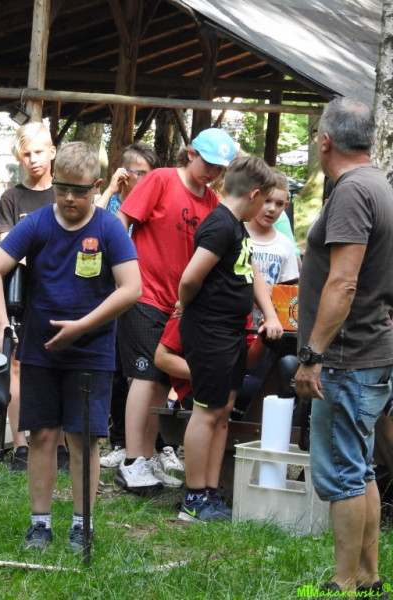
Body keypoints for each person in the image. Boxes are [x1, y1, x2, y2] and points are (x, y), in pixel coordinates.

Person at [0, 141, 141, 551]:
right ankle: (40, 524)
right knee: (41, 435)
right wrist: (3, 324)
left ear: (97, 187)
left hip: (92, 351)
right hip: (40, 351)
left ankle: (82, 525)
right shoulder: (35, 224)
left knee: (83, 440)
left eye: (80, 191)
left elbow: (132, 288)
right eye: (63, 188)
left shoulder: (108, 228)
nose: (70, 198)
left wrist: (82, 327)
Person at [294, 97, 393, 596]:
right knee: (361, 468)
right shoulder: (381, 185)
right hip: (370, 350)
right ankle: (369, 576)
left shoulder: (353, 191)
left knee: (344, 475)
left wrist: (312, 356)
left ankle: (343, 583)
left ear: (326, 141)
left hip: (345, 357)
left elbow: (344, 282)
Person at [115, 128, 237, 493]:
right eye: (208, 163)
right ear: (191, 154)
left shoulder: (213, 202)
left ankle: (148, 457)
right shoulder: (162, 179)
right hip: (145, 294)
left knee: (162, 381)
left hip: (181, 306)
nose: (212, 172)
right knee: (145, 375)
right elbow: (123, 220)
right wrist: (124, 271)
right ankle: (132, 461)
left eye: (220, 168)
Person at [176, 155, 283, 522]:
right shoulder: (220, 226)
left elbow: (252, 273)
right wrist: (186, 304)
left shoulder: (237, 228)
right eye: (265, 200)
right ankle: (193, 498)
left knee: (223, 410)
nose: (266, 208)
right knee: (206, 411)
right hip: (210, 331)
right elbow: (190, 277)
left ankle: (210, 490)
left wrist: (270, 314)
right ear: (254, 195)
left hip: (232, 331)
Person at [0, 122, 69, 472]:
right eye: (26, 154)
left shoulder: (65, 193)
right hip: (19, 295)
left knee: (61, 362)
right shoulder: (12, 198)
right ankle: (20, 444)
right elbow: (9, 249)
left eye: (39, 151)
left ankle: (61, 443)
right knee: (17, 365)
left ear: (52, 152)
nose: (33, 159)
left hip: (61, 294)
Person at [95, 142, 160, 469]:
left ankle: (158, 446)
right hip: (110, 296)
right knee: (118, 373)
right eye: (137, 173)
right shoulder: (111, 204)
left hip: (146, 297)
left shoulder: (156, 205)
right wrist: (110, 190)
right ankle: (119, 441)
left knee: (148, 373)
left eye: (148, 174)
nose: (143, 180)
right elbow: (92, 228)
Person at [245, 168, 300, 287]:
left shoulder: (285, 244)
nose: (272, 209)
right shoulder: (236, 235)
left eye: (279, 204)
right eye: (267, 201)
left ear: (285, 206)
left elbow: (288, 289)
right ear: (254, 197)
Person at [95, 142, 160, 215]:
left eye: (151, 176)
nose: (148, 180)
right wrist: (110, 190)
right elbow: (91, 219)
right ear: (124, 172)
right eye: (141, 174)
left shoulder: (154, 209)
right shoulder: (107, 203)